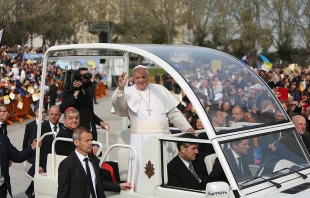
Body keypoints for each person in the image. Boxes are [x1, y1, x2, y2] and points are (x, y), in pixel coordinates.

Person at [111, 65, 194, 190]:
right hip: (141, 140)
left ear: (148, 77)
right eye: (137, 77)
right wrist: (121, 87)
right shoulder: (127, 92)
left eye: (143, 77)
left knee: (166, 168)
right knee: (145, 170)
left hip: (164, 137)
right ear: (133, 78)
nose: (141, 80)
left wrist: (187, 129)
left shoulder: (159, 89)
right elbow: (118, 104)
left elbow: (173, 113)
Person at [57, 127, 132, 198]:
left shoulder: (93, 160)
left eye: (91, 140)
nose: (90, 143)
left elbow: (99, 183)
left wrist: (119, 185)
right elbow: (62, 193)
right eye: (87, 141)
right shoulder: (67, 164)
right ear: (76, 142)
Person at [59, 67, 109, 141]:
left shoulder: (88, 88)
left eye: (88, 74)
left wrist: (100, 122)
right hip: (78, 134)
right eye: (84, 75)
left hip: (90, 134)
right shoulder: (70, 89)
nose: (87, 77)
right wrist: (75, 93)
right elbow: (62, 108)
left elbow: (89, 112)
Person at [0, 103, 39, 197]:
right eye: (4, 111)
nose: (7, 113)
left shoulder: (3, 138)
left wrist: (32, 147)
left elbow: (17, 156)